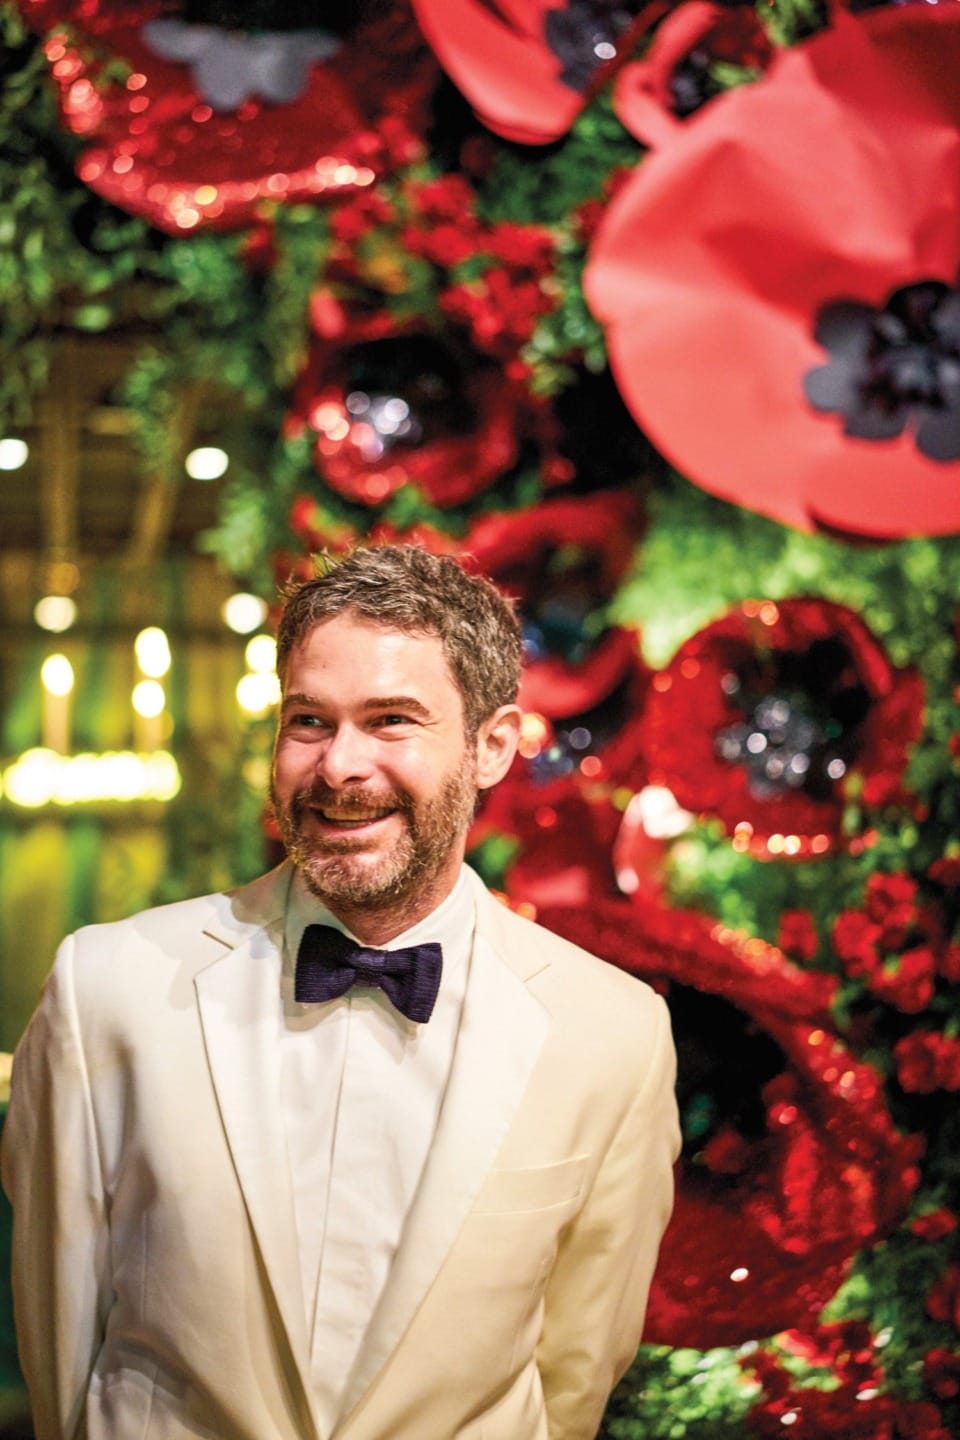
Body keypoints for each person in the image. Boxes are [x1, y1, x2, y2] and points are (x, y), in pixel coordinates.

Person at [2, 544, 679, 1440]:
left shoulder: (613, 1033)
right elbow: (61, 1341)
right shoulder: (109, 990)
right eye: (310, 721)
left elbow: (575, 1374)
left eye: (392, 720)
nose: (338, 768)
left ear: (492, 747)